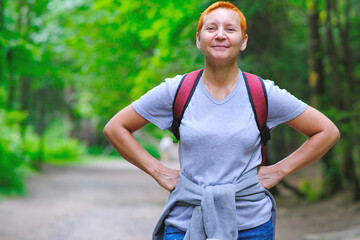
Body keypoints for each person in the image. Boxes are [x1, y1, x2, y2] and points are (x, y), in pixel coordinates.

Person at [103, 1, 340, 240]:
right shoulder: (176, 90)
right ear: (198, 40)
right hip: (186, 222)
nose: (220, 35)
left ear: (243, 41)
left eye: (230, 29)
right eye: (211, 28)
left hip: (251, 225)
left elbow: (326, 131)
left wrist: (278, 171)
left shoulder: (261, 92)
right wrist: (159, 171)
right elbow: (115, 128)